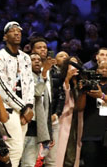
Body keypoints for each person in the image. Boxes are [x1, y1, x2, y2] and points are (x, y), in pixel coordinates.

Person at [0, 21, 35, 167]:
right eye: (12, 31)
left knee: (17, 150)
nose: (16, 33)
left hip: (24, 110)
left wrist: (29, 106)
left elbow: (30, 83)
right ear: (4, 37)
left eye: (19, 31)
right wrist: (23, 108)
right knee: (15, 148)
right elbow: (1, 86)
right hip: (6, 108)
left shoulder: (26, 58)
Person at [76, 61, 107, 167]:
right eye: (101, 68)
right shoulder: (89, 85)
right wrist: (83, 92)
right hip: (90, 133)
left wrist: (102, 96)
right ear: (96, 71)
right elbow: (80, 107)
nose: (104, 70)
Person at [29, 37, 64, 167]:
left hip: (51, 118)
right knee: (31, 158)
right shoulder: (27, 69)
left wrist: (56, 113)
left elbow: (61, 94)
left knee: (51, 160)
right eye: (39, 47)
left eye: (45, 47)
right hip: (34, 117)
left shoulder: (54, 71)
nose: (43, 50)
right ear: (32, 51)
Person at [21, 53, 53, 167]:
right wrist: (44, 73)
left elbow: (46, 107)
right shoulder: (22, 77)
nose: (37, 61)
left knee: (29, 163)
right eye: (33, 59)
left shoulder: (43, 79)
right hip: (22, 122)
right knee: (14, 160)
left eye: (39, 59)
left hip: (35, 125)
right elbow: (37, 92)